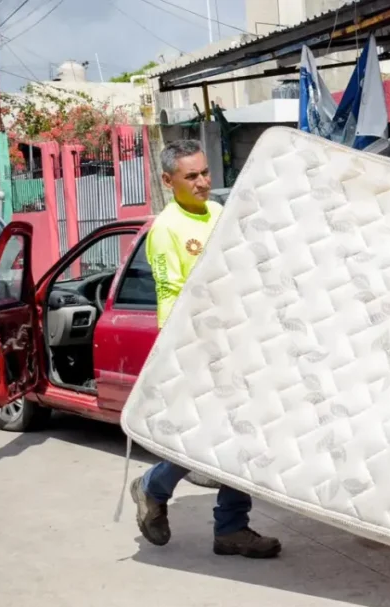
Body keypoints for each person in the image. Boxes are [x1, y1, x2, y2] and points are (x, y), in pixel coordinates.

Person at [129, 139, 282, 560]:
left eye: (204, 173)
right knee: (205, 439)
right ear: (168, 180)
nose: (202, 183)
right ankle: (152, 487)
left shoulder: (217, 213)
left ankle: (232, 527)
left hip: (235, 340)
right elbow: (169, 293)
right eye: (191, 176)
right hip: (198, 347)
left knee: (244, 432)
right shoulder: (166, 230)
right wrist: (181, 354)